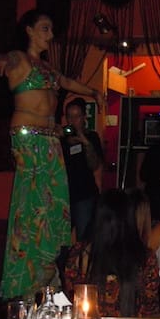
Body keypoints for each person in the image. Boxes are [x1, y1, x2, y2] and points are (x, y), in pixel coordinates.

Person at [0, 10, 102, 299]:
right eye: (45, 28)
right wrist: (3, 59)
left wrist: (94, 92)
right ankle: (24, 279)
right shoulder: (20, 58)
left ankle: (45, 268)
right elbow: (9, 58)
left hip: (52, 140)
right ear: (28, 30)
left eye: (51, 29)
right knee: (31, 205)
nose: (50, 35)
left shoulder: (47, 68)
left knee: (55, 205)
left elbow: (67, 81)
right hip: (28, 139)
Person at [63, 189, 160, 318]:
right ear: (130, 219)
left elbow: (70, 299)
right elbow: (150, 307)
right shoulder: (145, 257)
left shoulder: (79, 253)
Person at [61, 97, 103, 241]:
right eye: (69, 116)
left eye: (77, 116)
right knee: (61, 241)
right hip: (63, 197)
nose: (72, 121)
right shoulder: (60, 140)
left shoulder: (92, 137)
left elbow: (95, 165)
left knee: (84, 239)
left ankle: (81, 264)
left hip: (84, 196)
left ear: (84, 117)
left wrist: (85, 143)